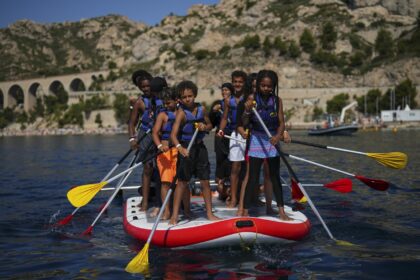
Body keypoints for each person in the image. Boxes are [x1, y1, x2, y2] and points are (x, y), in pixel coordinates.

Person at [241, 69, 292, 221]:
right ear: (258, 86)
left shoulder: (277, 101)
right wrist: (247, 111)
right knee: (253, 177)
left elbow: (282, 122)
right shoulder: (252, 98)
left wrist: (278, 136)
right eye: (263, 86)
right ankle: (244, 210)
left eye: (269, 86)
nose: (266, 89)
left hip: (271, 140)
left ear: (273, 86)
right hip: (256, 138)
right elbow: (244, 122)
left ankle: (281, 211)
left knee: (274, 176)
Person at [169, 81, 220, 225]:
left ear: (194, 95)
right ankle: (174, 216)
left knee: (205, 181)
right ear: (180, 98)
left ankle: (209, 213)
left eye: (190, 96)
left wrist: (205, 126)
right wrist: (180, 148)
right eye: (184, 97)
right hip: (186, 149)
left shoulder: (201, 109)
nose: (187, 99)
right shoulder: (181, 114)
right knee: (182, 182)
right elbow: (173, 135)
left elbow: (210, 125)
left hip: (199, 148)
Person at [128, 76, 167, 212]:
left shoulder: (162, 99)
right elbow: (131, 123)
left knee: (161, 169)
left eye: (148, 86)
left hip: (160, 135)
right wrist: (132, 139)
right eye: (143, 87)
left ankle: (160, 201)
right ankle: (145, 202)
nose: (146, 89)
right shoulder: (139, 102)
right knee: (147, 169)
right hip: (145, 135)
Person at [217, 70, 248, 208]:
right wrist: (221, 130)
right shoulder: (229, 101)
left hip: (249, 134)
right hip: (235, 135)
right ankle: (234, 198)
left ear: (244, 83)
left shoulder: (249, 98)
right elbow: (224, 118)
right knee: (235, 167)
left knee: (248, 167)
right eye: (235, 82)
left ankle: (247, 198)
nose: (237, 84)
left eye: (240, 82)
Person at [152, 88, 179, 220]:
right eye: (164, 103)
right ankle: (166, 210)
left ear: (176, 101)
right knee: (165, 183)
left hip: (177, 151)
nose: (166, 106)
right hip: (165, 152)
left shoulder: (182, 113)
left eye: (168, 103)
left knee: (179, 182)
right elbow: (155, 133)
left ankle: (179, 209)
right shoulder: (162, 116)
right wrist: (159, 146)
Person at [209, 83, 234, 200]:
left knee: (232, 163)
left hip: (233, 137)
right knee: (221, 162)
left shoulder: (235, 104)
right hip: (220, 139)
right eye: (223, 90)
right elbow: (211, 122)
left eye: (226, 90)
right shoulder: (218, 104)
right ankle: (221, 186)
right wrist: (213, 112)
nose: (224, 92)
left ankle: (232, 190)